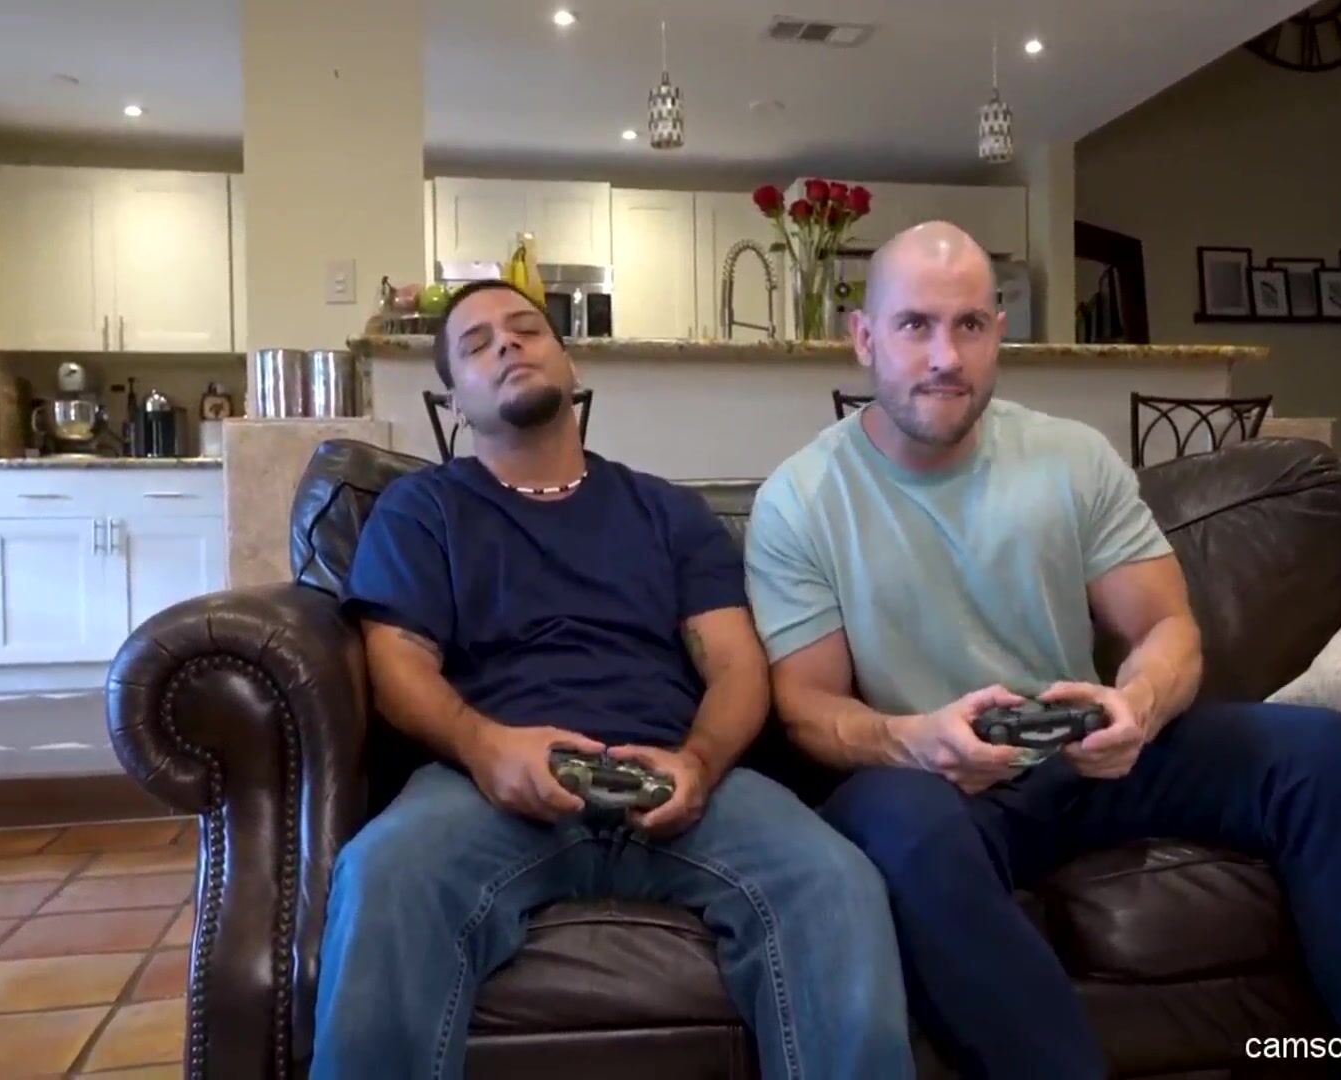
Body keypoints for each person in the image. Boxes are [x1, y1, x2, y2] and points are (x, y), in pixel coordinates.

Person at [742, 221, 1341, 1078]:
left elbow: (1166, 628)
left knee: (1318, 748)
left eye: (968, 325)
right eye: (914, 326)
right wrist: (916, 739)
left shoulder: (1071, 458)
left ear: (998, 332)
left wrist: (1138, 706)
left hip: (1086, 757)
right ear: (863, 338)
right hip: (938, 783)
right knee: (895, 826)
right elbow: (807, 707)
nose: (945, 357)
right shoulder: (801, 500)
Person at [312, 279, 915, 1080]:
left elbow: (737, 664)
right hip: (489, 787)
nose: (507, 344)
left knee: (835, 880)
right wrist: (486, 749)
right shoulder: (421, 510)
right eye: (478, 344)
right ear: (453, 401)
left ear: (571, 362)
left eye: (526, 329)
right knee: (385, 873)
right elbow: (396, 665)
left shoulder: (668, 512)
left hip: (675, 778)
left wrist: (699, 763)